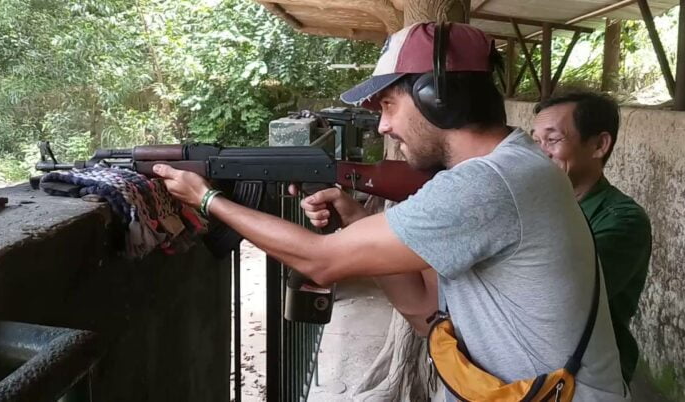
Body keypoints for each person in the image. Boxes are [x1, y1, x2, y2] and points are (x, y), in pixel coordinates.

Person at [155, 22, 628, 400]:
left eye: (388, 104)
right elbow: (424, 309)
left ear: (435, 97)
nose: (383, 124)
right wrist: (361, 224)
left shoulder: (489, 183)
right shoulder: (512, 165)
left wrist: (207, 199)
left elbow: (321, 261)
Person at [532, 91, 652, 384]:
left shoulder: (624, 219)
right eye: (535, 142)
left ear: (599, 145)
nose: (540, 153)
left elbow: (563, 298)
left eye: (553, 140)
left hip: (587, 377)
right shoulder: (538, 203)